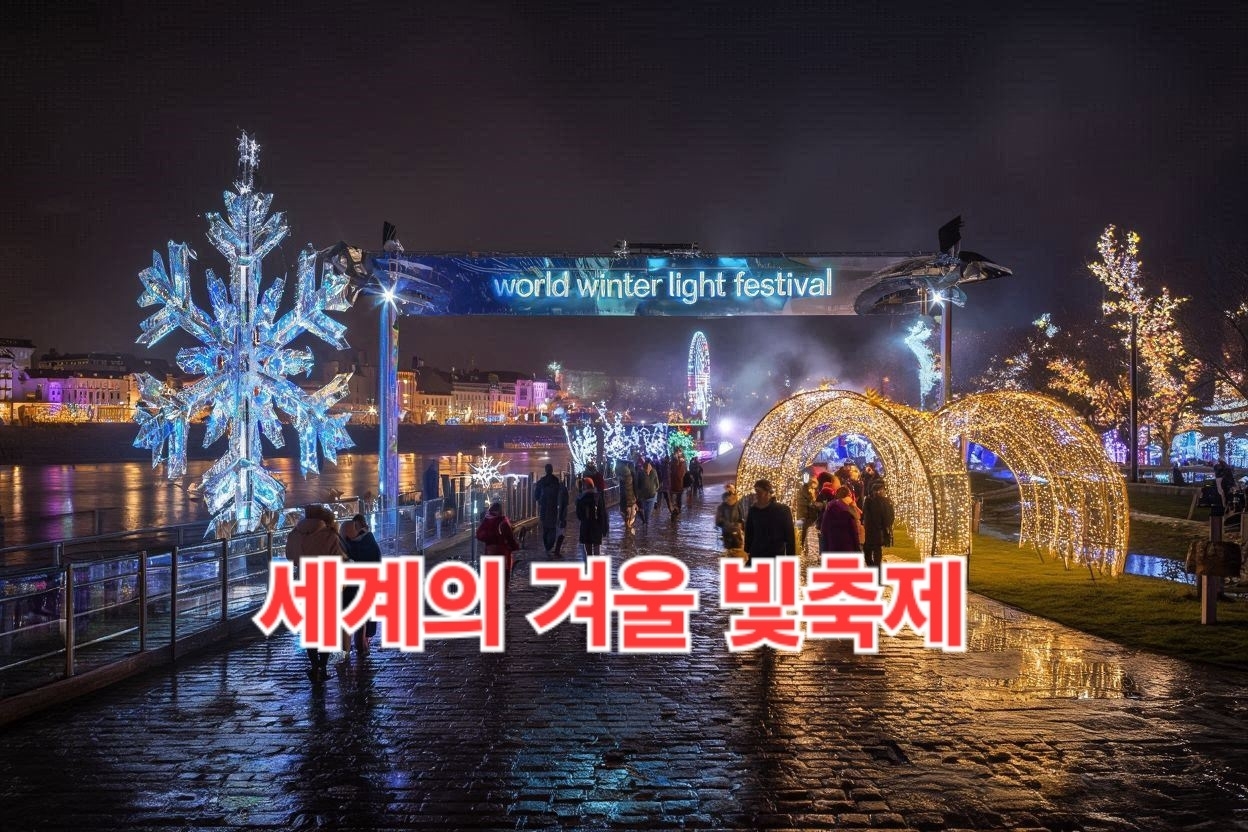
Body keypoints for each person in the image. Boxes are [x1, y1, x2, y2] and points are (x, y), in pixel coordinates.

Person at [285, 504, 347, 685]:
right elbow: (340, 558)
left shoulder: (295, 534)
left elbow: (290, 557)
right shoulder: (329, 535)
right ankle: (323, 667)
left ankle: (314, 666)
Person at [340, 513, 382, 655]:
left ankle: (352, 647)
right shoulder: (369, 540)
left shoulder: (345, 543)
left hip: (350, 585)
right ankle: (362, 646)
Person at [475, 501, 520, 599]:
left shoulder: (486, 520)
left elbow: (478, 534)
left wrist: (489, 539)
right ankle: (502, 599)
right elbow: (510, 538)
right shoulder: (503, 521)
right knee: (504, 576)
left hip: (489, 552)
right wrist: (515, 546)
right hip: (502, 553)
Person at [744, 478, 796, 563]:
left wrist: (791, 558)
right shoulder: (753, 510)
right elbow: (749, 532)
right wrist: (747, 550)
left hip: (774, 555)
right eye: (756, 492)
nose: (756, 495)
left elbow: (790, 536)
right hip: (757, 555)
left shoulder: (783, 510)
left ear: (768, 492)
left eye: (759, 492)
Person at [534, 463, 568, 554]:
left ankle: (547, 546)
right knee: (552, 527)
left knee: (546, 528)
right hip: (553, 508)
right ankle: (549, 545)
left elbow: (536, 495)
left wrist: (539, 500)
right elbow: (561, 495)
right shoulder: (556, 482)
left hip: (545, 508)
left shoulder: (541, 482)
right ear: (551, 470)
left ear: (546, 470)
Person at [861, 481, 895, 569]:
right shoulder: (870, 501)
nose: (883, 492)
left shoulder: (884, 501)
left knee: (874, 550)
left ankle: (875, 568)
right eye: (881, 490)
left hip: (876, 529)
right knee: (871, 550)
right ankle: (875, 568)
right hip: (873, 529)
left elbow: (890, 515)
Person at [820, 485, 863, 554]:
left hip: (833, 546)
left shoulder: (830, 507)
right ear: (848, 496)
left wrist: (825, 548)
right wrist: (857, 548)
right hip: (847, 547)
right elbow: (854, 530)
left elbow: (824, 529)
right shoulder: (847, 510)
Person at [576, 476, 607, 557]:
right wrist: (604, 528)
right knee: (597, 551)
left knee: (589, 553)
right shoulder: (598, 497)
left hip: (585, 527)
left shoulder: (581, 499)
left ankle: (589, 564)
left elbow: (579, 516)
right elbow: (602, 514)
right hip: (597, 526)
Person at [714, 483, 747, 548]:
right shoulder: (738, 505)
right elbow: (742, 517)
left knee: (730, 548)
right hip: (734, 530)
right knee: (736, 547)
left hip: (728, 531)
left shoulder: (722, 507)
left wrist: (724, 523)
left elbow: (718, 521)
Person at [635, 459, 660, 525]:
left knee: (645, 511)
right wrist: (654, 489)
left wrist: (639, 492)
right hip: (651, 495)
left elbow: (637, 484)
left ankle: (645, 524)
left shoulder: (640, 472)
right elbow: (657, 484)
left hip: (644, 495)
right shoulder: (653, 471)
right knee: (647, 512)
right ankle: (646, 524)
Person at [616, 459, 638, 533]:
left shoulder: (621, 477)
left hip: (625, 498)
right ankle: (628, 527)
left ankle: (628, 526)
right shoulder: (631, 476)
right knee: (631, 514)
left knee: (627, 513)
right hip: (631, 498)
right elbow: (635, 487)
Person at [669, 449, 688, 519]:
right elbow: (682, 473)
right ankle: (676, 511)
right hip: (676, 485)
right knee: (676, 500)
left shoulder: (677, 463)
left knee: (676, 500)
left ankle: (676, 511)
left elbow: (682, 473)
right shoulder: (678, 463)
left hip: (676, 485)